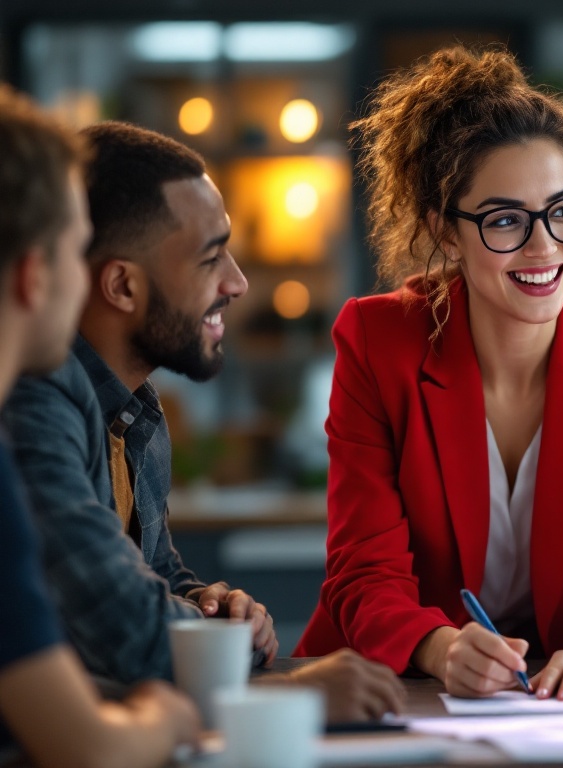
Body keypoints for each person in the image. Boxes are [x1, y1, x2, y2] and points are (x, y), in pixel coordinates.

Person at [295, 45, 563, 700]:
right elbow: (363, 575)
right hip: (390, 690)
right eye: (506, 220)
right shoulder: (379, 341)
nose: (544, 247)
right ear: (447, 233)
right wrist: (442, 648)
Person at [1, 120, 407, 724]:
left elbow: (153, 578)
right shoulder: (36, 400)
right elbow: (123, 627)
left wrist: (211, 606)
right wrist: (282, 695)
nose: (239, 282)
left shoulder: (135, 409)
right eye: (211, 257)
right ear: (121, 285)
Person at [0, 85, 200, 768]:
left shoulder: (134, 412)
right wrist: (163, 713)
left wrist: (202, 605)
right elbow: (87, 747)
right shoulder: (30, 421)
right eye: (74, 250)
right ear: (34, 275)